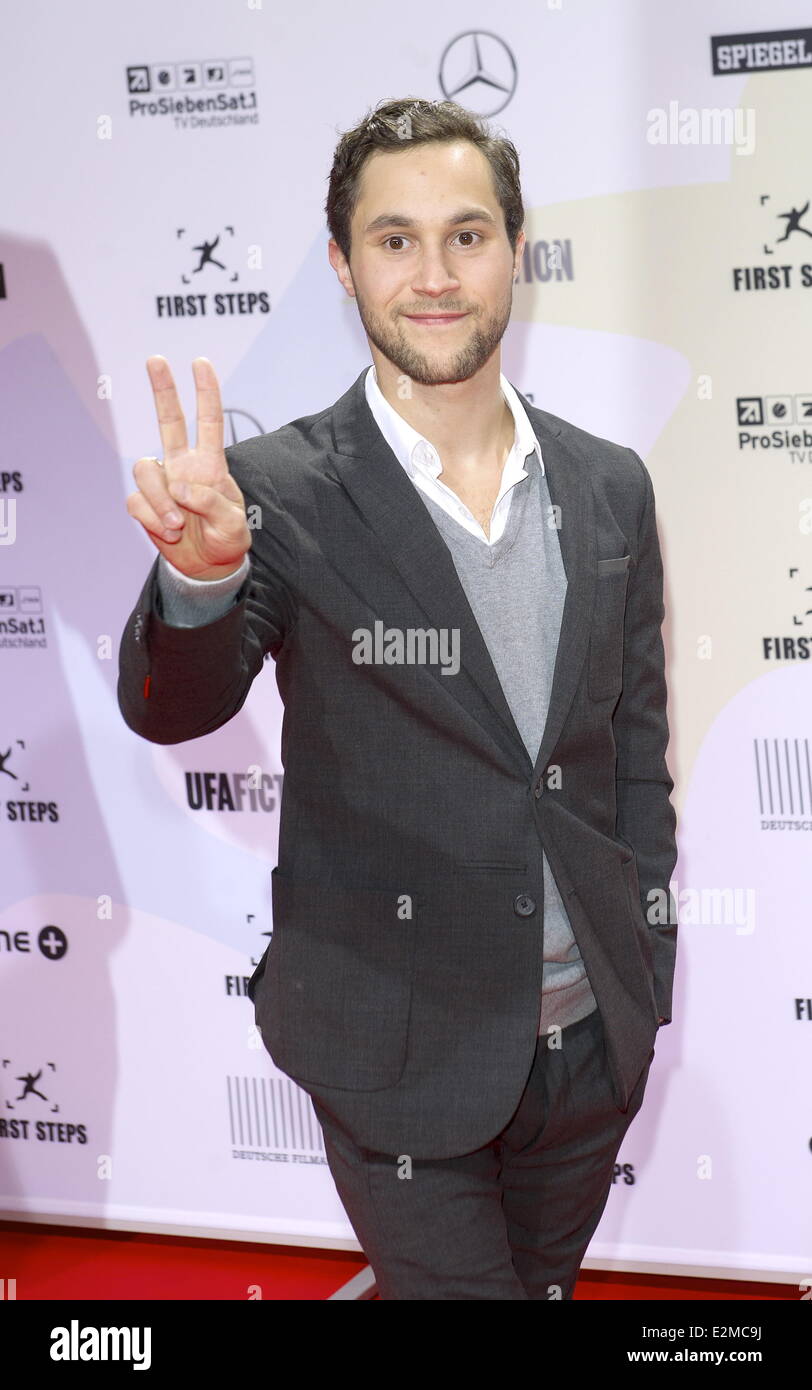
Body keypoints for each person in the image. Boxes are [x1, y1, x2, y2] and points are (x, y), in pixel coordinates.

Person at [118, 96, 678, 1300]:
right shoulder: (278, 491)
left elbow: (633, 748)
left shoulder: (608, 483)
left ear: (515, 249)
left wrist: (648, 956)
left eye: (466, 235)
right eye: (393, 239)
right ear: (342, 261)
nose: (433, 274)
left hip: (586, 1045)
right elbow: (173, 706)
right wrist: (201, 575)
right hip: (394, 1050)